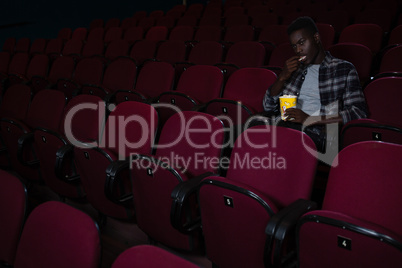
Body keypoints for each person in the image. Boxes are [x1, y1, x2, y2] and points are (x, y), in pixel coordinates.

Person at [263, 16, 368, 152]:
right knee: (244, 129)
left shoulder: (343, 69)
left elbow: (358, 112)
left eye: (301, 43)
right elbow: (268, 106)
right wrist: (282, 77)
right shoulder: (294, 70)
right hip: (282, 125)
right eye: (294, 46)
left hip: (316, 133)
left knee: (276, 137)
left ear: (316, 38)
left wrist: (310, 119)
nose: (298, 50)